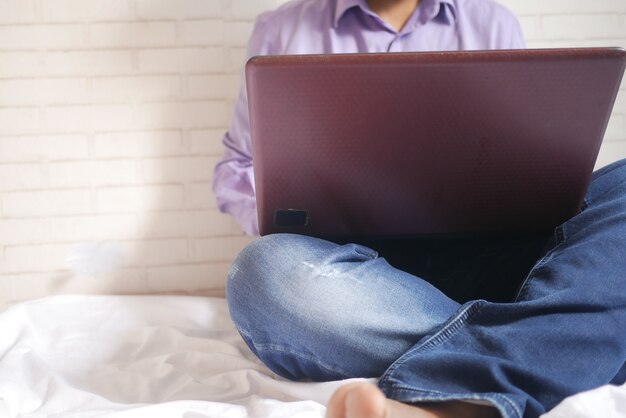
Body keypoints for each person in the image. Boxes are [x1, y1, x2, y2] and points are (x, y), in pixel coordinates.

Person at [213, 1, 626, 417]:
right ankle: (574, 338)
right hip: (360, 275)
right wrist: (294, 204)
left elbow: (526, 155)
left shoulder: (492, 22)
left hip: (496, 253)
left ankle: (460, 399)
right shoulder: (283, 28)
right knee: (261, 274)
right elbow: (236, 169)